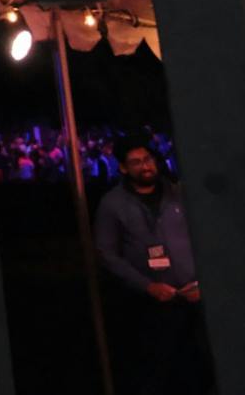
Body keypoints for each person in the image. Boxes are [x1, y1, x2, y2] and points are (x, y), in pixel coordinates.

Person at [94, 135, 211, 394]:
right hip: (149, 305)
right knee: (158, 373)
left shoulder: (179, 195)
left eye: (147, 159)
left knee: (199, 371)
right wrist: (147, 286)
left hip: (193, 298)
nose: (144, 166)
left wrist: (204, 281)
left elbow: (205, 237)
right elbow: (106, 253)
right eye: (135, 162)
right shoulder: (113, 204)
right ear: (123, 168)